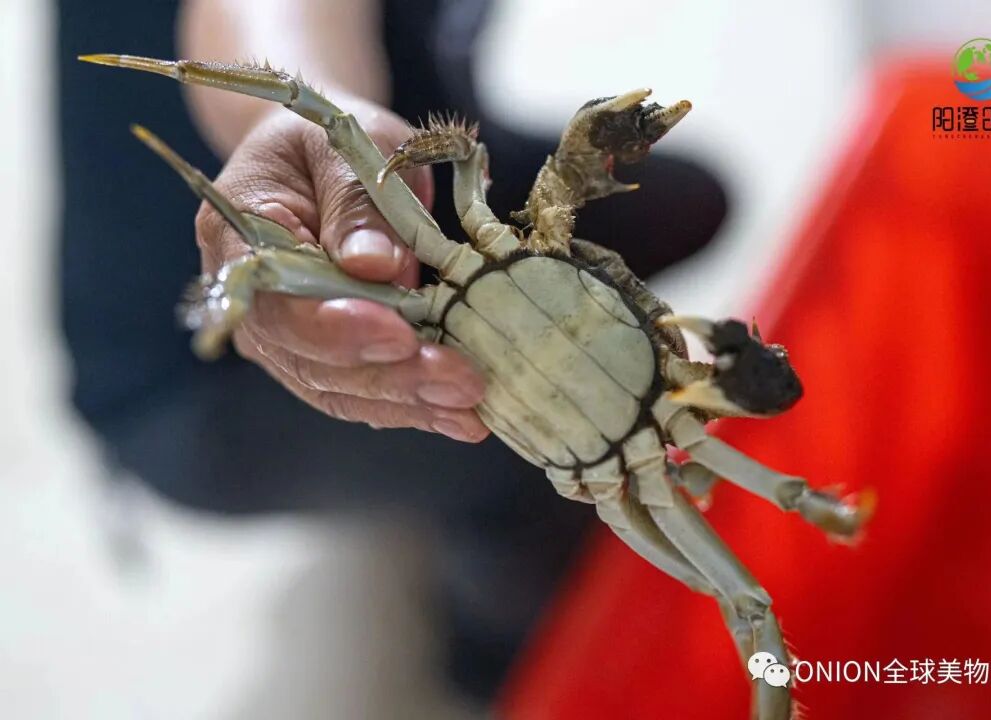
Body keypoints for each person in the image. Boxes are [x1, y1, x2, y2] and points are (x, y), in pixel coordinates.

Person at [59, 0, 728, 699]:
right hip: (190, 387)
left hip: (412, 186)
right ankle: (495, 655)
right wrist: (293, 121)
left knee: (692, 203)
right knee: (557, 442)